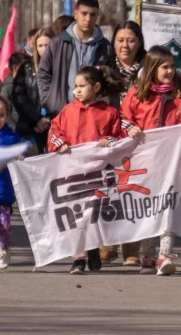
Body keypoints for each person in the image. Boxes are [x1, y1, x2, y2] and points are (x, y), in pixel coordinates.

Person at [120, 46, 181, 276]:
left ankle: (164, 255)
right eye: (165, 67)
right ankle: (147, 256)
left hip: (173, 163)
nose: (170, 71)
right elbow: (122, 120)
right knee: (147, 209)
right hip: (144, 163)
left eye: (173, 67)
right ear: (153, 68)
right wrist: (131, 128)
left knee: (167, 206)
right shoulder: (137, 95)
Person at [48, 66, 123, 274]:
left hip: (99, 173)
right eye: (75, 86)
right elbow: (55, 130)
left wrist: (110, 141)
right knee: (76, 216)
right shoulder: (68, 110)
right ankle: (78, 258)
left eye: (82, 86)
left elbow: (118, 137)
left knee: (94, 215)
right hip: (72, 173)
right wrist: (60, 142)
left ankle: (93, 249)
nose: (77, 91)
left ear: (96, 87)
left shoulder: (109, 113)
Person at [96, 21, 148, 266]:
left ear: (139, 43)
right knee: (107, 189)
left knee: (134, 191)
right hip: (109, 138)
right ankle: (107, 243)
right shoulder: (101, 70)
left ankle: (131, 247)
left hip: (139, 139)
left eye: (131, 40)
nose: (125, 45)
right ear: (113, 42)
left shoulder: (150, 69)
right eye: (120, 40)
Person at [37, 0, 114, 118]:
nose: (88, 19)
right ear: (76, 14)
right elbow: (43, 73)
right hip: (61, 114)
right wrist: (49, 102)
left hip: (93, 116)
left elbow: (110, 80)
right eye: (84, 13)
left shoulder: (105, 46)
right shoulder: (59, 41)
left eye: (93, 15)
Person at [11, 29, 54, 153]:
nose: (44, 49)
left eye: (47, 45)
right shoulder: (26, 69)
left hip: (55, 127)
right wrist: (37, 119)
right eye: (40, 45)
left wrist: (49, 121)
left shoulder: (61, 68)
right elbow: (19, 97)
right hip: (30, 128)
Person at [0, 95, 22, 270]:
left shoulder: (12, 138)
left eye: (1, 114)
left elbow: (22, 151)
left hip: (3, 192)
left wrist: (22, 156)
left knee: (3, 225)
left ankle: (4, 248)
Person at [1, 53, 29, 132]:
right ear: (15, 67)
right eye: (24, 67)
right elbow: (5, 113)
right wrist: (15, 129)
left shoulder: (27, 83)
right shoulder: (7, 88)